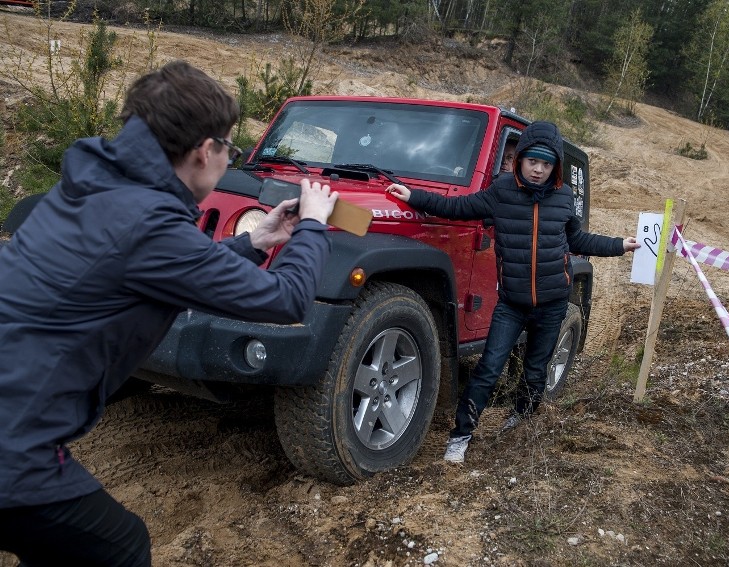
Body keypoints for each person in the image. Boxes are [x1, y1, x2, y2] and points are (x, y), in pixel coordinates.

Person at [0, 60, 338, 566]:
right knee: (119, 548)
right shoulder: (151, 224)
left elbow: (159, 267)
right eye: (231, 149)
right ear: (206, 151)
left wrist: (256, 240)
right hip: (12, 444)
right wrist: (314, 226)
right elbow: (285, 299)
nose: (229, 160)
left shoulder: (97, 189)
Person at [386, 121, 640, 464]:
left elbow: (576, 240)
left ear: (556, 167)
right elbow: (459, 208)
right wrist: (415, 196)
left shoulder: (564, 196)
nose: (538, 169)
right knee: (488, 368)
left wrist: (619, 245)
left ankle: (520, 420)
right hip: (512, 304)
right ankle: (461, 435)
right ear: (520, 159)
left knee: (536, 370)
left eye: (546, 163)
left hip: (552, 304)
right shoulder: (502, 190)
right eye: (532, 161)